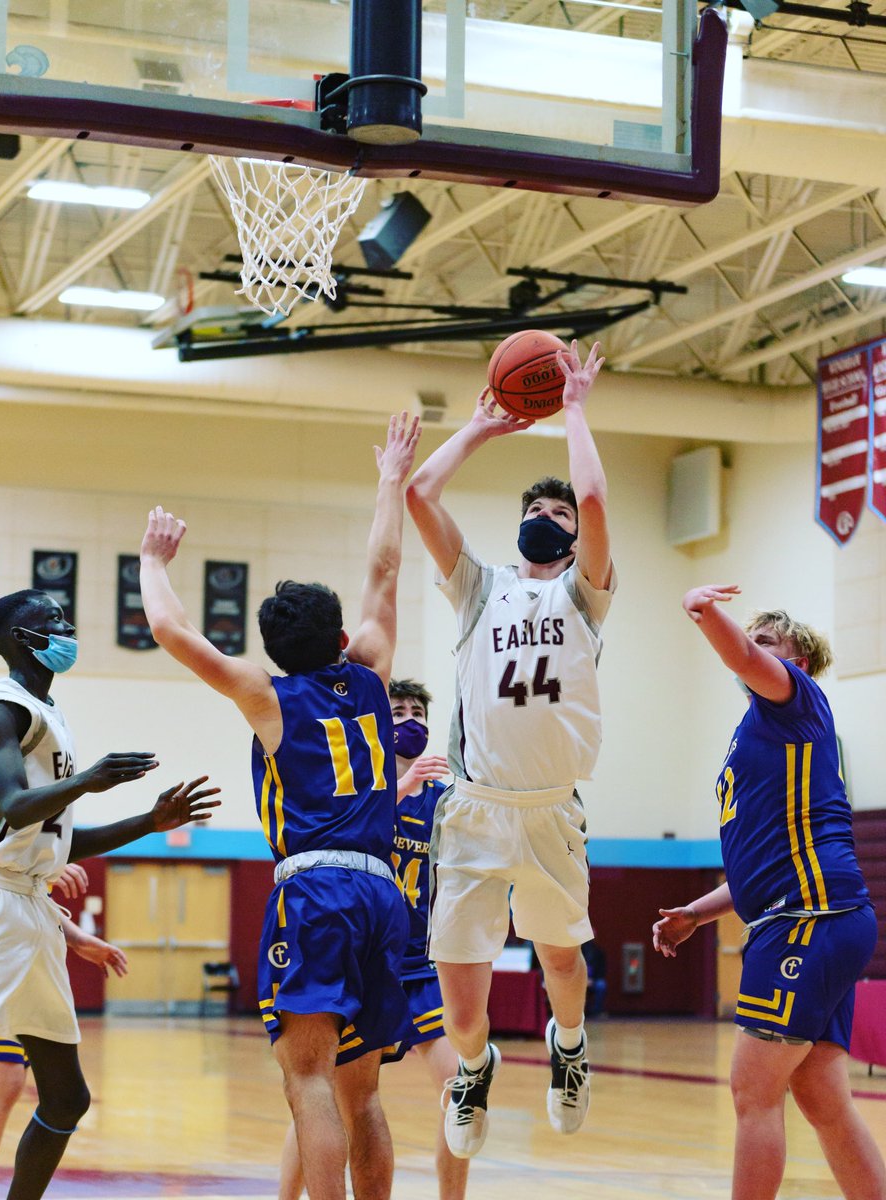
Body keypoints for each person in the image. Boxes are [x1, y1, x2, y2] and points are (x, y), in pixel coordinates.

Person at [139, 412, 422, 1200]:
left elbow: (168, 628)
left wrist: (152, 559)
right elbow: (386, 569)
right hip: (385, 890)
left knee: (309, 1083)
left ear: (273, 649)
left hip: (319, 890)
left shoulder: (268, 696)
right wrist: (389, 478)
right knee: (364, 1092)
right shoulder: (370, 673)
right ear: (339, 637)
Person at [0, 589, 220, 1200]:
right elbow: (12, 805)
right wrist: (88, 781)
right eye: (49, 621)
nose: (65, 627)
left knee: (67, 1096)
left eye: (65, 616)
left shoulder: (48, 715)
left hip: (31, 905)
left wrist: (149, 822)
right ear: (15, 637)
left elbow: (60, 841)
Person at [405, 340, 615, 1158]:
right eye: (540, 510)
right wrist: (483, 428)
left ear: (570, 538)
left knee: (562, 964)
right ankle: (473, 1065)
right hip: (473, 810)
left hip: (550, 811)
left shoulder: (585, 591)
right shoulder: (479, 587)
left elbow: (593, 493)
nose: (549, 518)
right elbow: (421, 492)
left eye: (558, 516)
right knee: (461, 1005)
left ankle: (568, 1045)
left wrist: (572, 409)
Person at [652, 587, 885, 1200]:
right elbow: (757, 867)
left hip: (812, 918)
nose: (751, 652)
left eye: (766, 643)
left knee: (753, 1090)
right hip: (814, 918)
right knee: (822, 1099)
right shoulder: (754, 733)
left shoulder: (796, 701)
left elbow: (741, 660)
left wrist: (706, 612)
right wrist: (697, 914)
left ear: (796, 663)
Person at [277, 677, 469, 1200]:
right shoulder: (358, 782)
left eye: (417, 712)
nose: (409, 719)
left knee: (465, 1088)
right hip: (367, 955)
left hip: (425, 964)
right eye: (397, 710)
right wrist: (401, 789)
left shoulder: (447, 799)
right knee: (324, 1094)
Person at [0, 800, 128, 1200]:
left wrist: (73, 937)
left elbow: (31, 892)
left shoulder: (51, 794)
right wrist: (48, 866)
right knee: (0, 1080)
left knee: (54, 1093)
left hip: (23, 946)